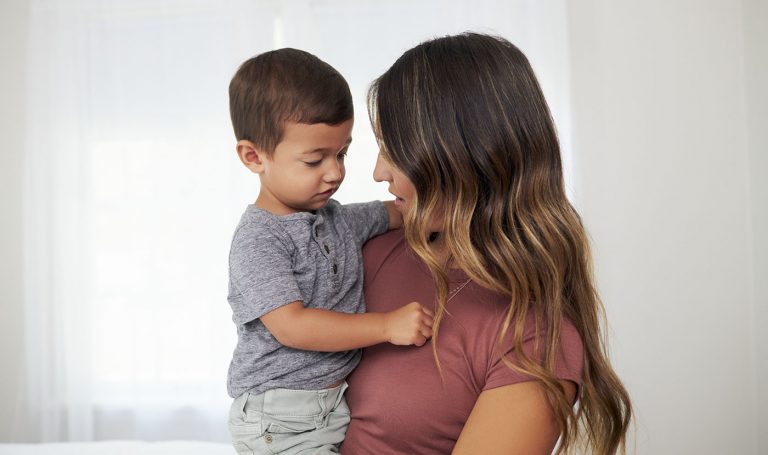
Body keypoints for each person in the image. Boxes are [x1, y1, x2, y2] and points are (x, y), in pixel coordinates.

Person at [342, 33, 633, 454]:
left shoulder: (532, 336)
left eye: (394, 149)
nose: (377, 172)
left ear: (464, 155)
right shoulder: (369, 250)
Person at [225, 48, 434, 455]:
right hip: (281, 417)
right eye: (314, 160)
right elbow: (293, 326)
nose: (335, 172)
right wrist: (387, 326)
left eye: (341, 154)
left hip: (328, 408)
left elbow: (401, 213)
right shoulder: (259, 239)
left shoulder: (338, 219)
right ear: (254, 157)